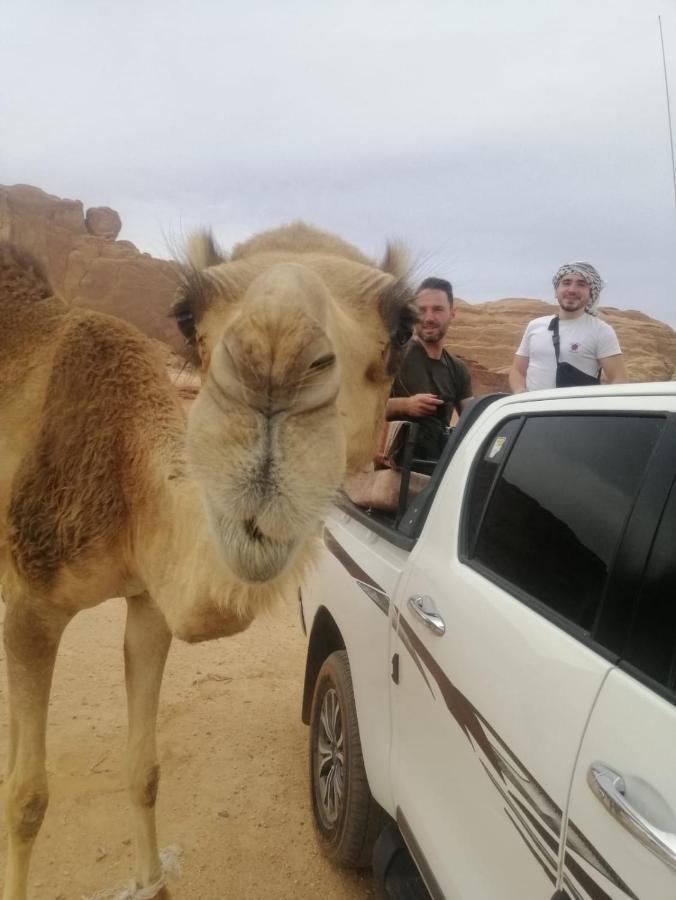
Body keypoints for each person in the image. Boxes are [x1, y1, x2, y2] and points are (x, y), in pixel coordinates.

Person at [387, 277, 473, 459]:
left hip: (438, 473)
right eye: (421, 310)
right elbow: (366, 408)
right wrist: (406, 405)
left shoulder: (458, 369)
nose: (428, 318)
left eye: (438, 309)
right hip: (392, 472)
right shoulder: (393, 355)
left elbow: (472, 420)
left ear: (452, 313)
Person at [509, 262, 627, 393]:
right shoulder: (535, 326)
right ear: (556, 290)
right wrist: (520, 392)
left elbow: (618, 379)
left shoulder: (601, 330)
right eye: (566, 282)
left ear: (591, 294)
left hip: (573, 412)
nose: (572, 290)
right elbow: (518, 370)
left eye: (581, 284)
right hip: (535, 412)